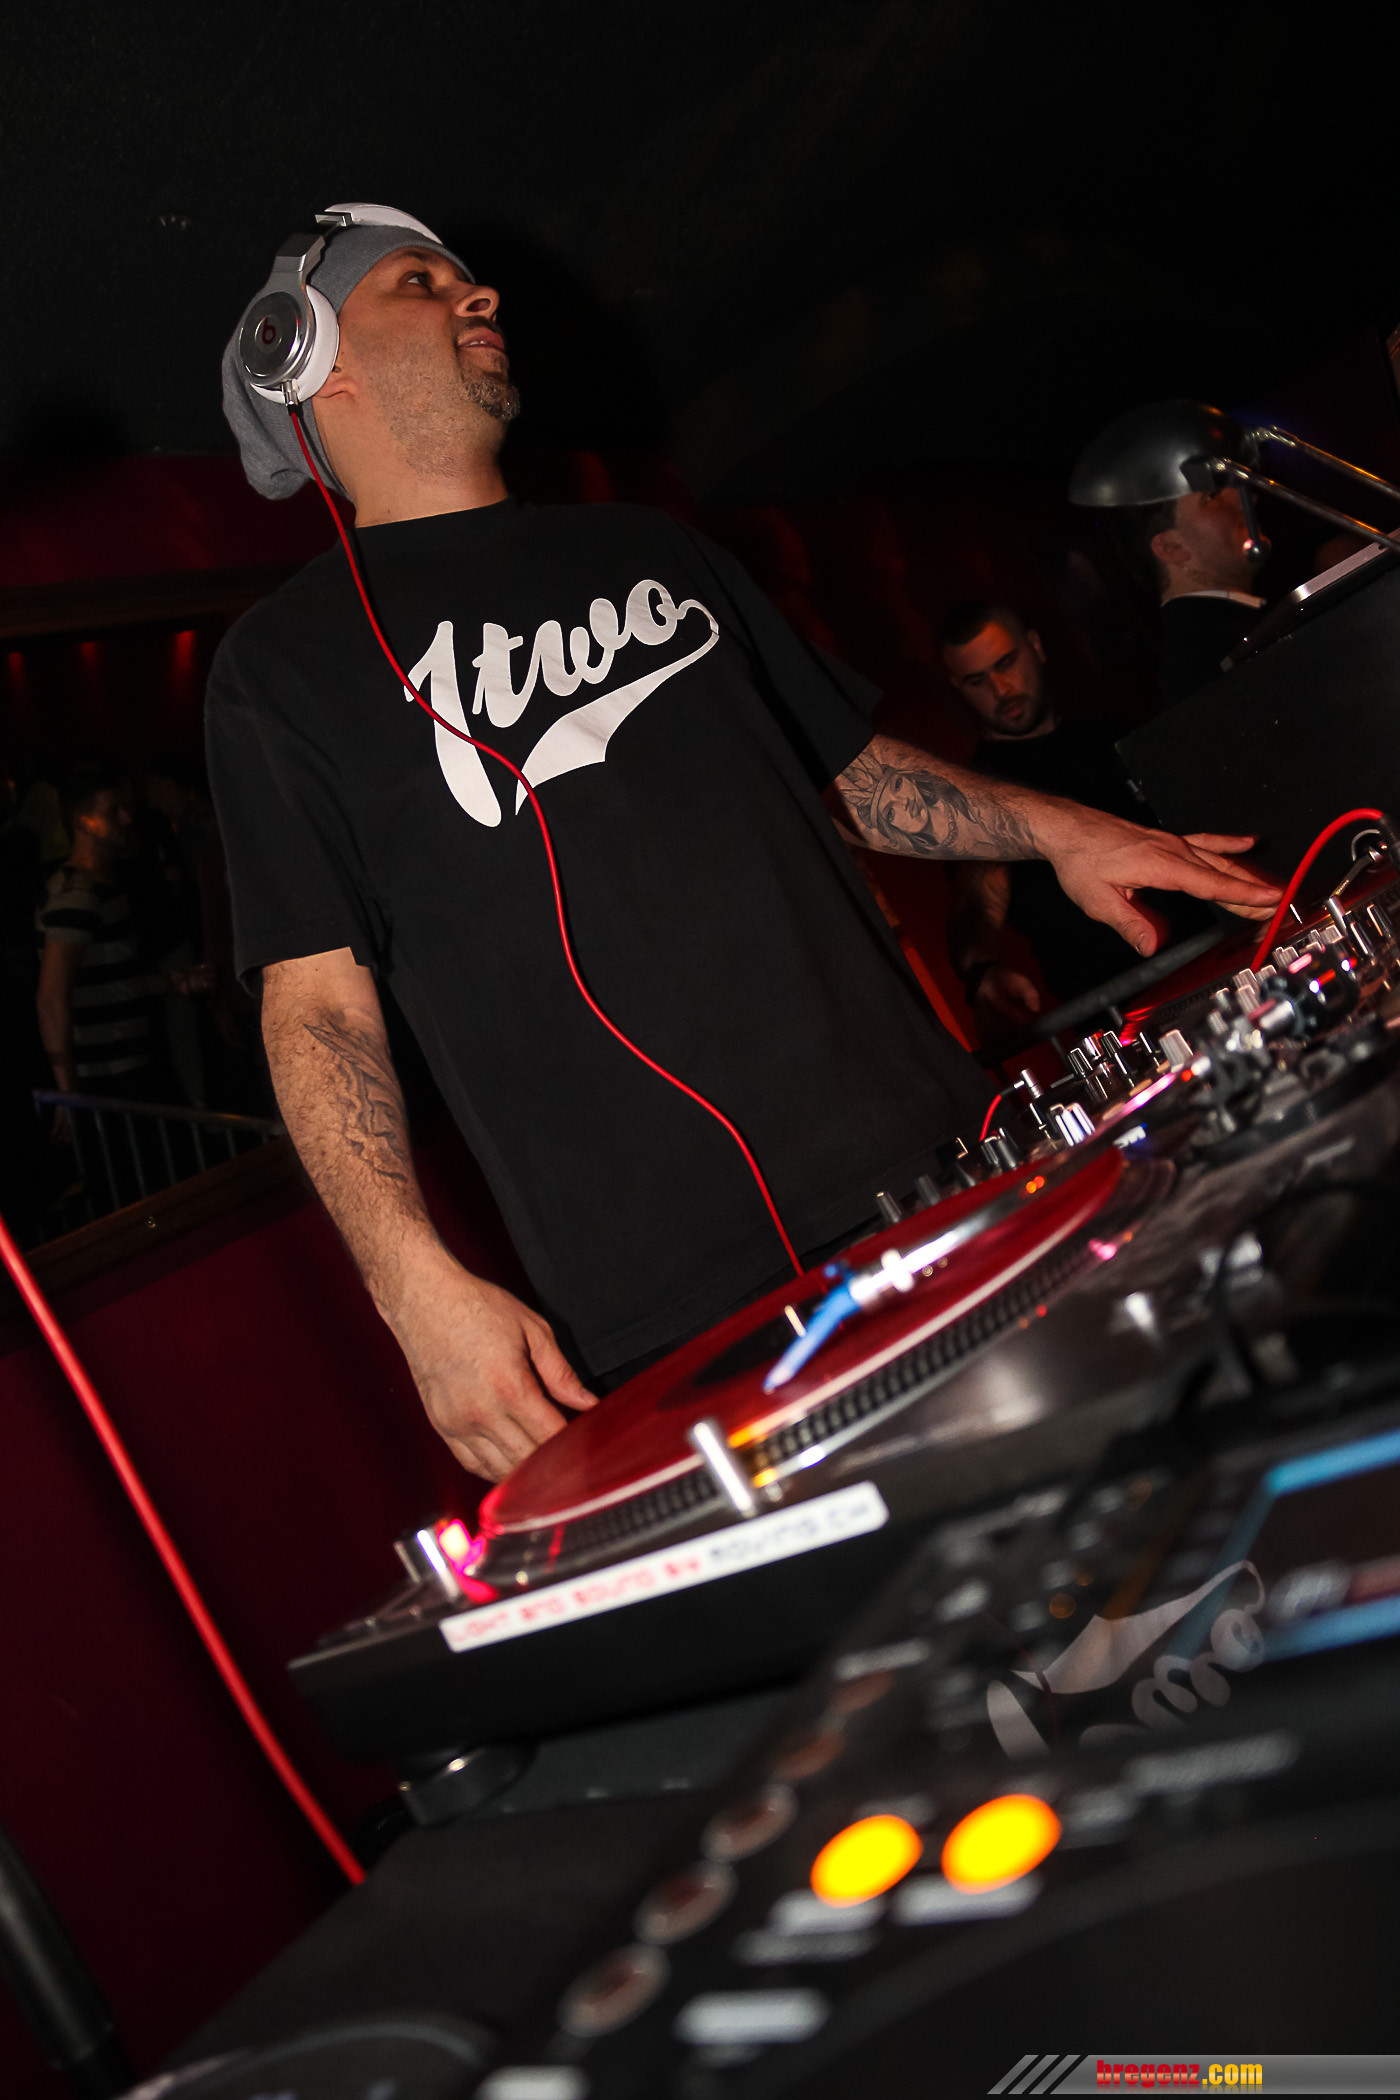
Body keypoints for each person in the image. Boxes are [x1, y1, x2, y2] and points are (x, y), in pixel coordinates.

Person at [209, 211, 1279, 1483]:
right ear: (312, 360)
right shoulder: (284, 672)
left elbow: (850, 772)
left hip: (944, 1158)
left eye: (465, 273)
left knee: (1151, 1498)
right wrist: (411, 1289)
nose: (476, 292)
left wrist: (1066, 831)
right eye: (418, 281)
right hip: (672, 1302)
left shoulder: (648, 546)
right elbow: (316, 1003)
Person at [940, 600, 1219, 1038]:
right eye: (977, 680)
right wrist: (982, 970)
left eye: (1006, 663)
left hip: (1220, 960)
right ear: (958, 687)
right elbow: (975, 906)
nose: (1000, 688)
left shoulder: (1112, 735)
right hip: (1125, 1020)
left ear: (1036, 647)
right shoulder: (981, 797)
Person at [35, 767, 209, 1107]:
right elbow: (51, 999)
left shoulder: (103, 888)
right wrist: (67, 1092)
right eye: (113, 811)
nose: (127, 818)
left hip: (125, 1064)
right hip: (107, 1075)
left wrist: (172, 982)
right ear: (84, 823)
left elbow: (108, 979)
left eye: (126, 807)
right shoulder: (76, 896)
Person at [1114, 487, 1268, 703]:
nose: (1245, 498)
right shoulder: (1204, 658)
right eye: (1211, 497)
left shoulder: (1219, 636)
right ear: (1171, 547)